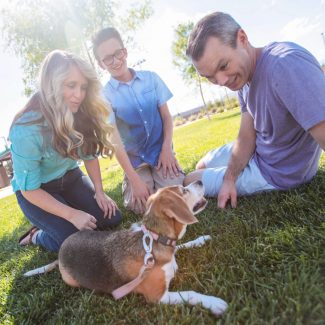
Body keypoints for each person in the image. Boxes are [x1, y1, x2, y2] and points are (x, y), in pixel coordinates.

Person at [184, 12, 325, 209]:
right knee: (202, 165)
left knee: (190, 180)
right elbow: (246, 136)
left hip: (276, 172)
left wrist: (228, 178)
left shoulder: (285, 65)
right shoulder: (243, 78)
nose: (222, 81)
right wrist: (229, 179)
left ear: (242, 38)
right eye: (211, 77)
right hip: (260, 150)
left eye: (223, 65)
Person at [9, 50, 122, 252]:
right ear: (51, 83)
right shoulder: (25, 129)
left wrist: (99, 192)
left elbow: (89, 155)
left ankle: (71, 209)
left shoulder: (79, 111)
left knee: (112, 218)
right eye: (71, 85)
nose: (78, 95)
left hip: (71, 178)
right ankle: (38, 235)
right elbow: (30, 190)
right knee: (76, 242)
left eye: (83, 87)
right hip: (37, 192)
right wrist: (71, 214)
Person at [91, 27, 184, 214]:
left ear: (125, 51)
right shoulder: (104, 97)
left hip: (161, 154)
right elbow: (116, 142)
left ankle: (177, 176)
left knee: (174, 199)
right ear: (101, 64)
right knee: (145, 207)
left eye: (118, 53)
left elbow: (166, 117)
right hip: (135, 164)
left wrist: (167, 149)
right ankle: (131, 184)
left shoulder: (151, 79)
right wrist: (134, 179)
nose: (116, 61)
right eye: (108, 58)